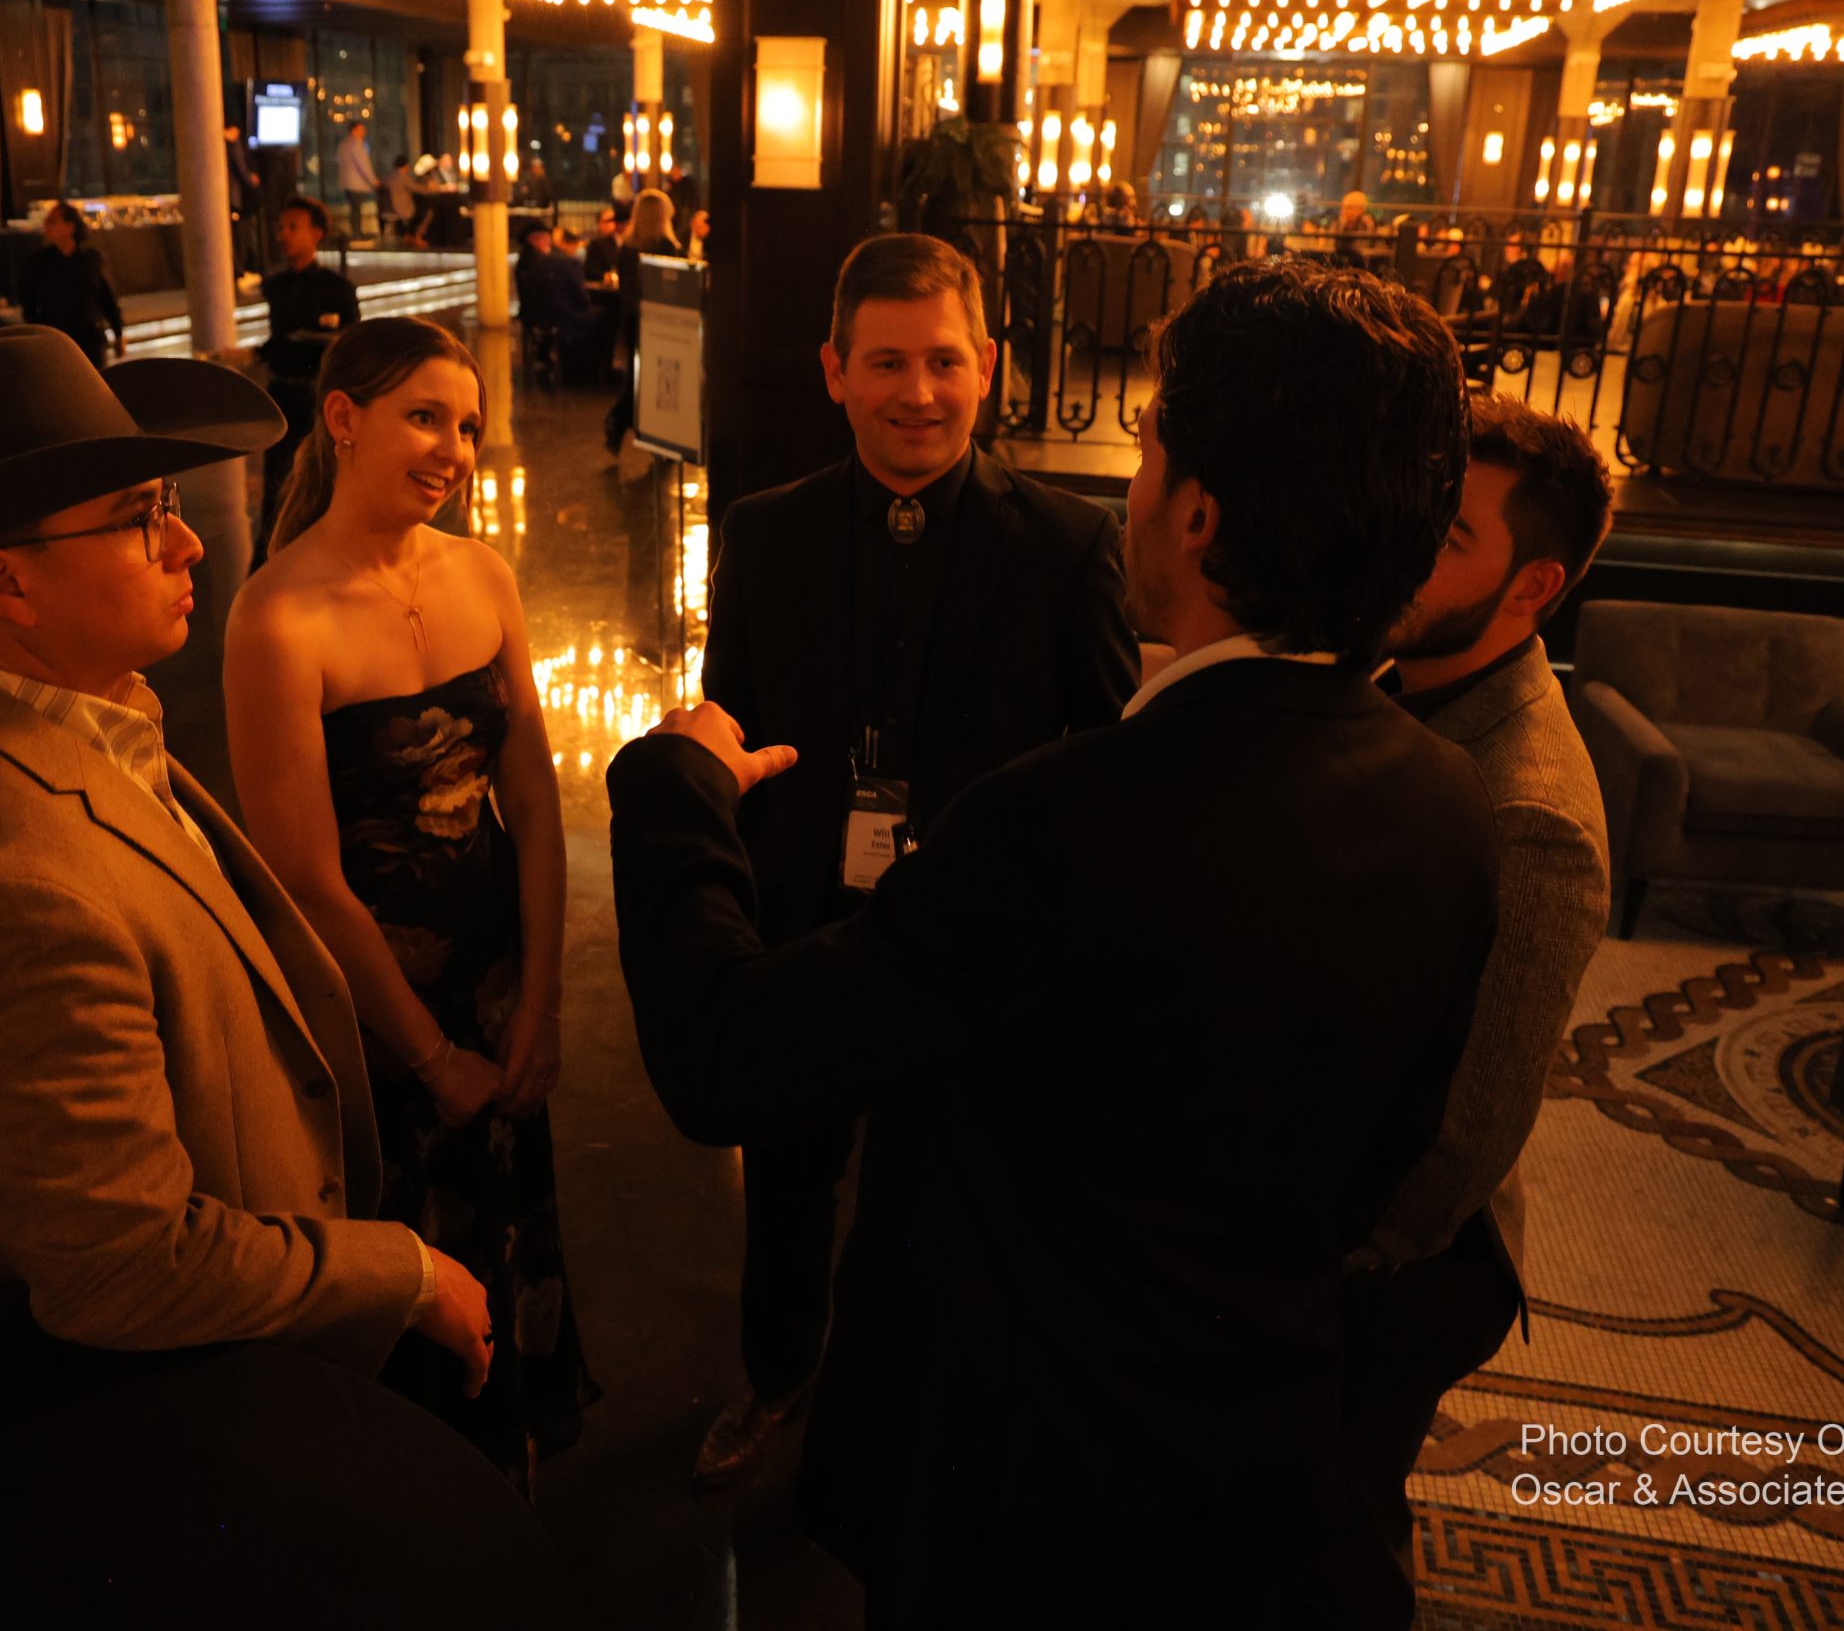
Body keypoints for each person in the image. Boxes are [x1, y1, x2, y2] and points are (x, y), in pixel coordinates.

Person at [606, 258, 1499, 1625]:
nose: (1130, 482)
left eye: (1145, 444)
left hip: (1025, 1484)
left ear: (1197, 512)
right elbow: (1381, 1157)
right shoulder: (1450, 800)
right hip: (1252, 1457)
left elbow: (724, 1057)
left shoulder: (1065, 823)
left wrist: (674, 785)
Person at [0, 325, 494, 1401]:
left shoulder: (65, 701)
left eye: (168, 503)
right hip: (174, 1399)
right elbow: (125, 1267)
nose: (190, 543)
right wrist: (405, 1274)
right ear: (6, 583)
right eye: (140, 517)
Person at [689, 233, 1138, 1490]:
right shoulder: (763, 533)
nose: (918, 392)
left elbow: (1108, 761)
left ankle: (931, 1413)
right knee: (786, 1181)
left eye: (943, 361)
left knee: (956, 1190)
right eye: (885, 362)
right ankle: (778, 1377)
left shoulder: (1066, 544)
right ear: (834, 370)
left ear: (987, 364)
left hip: (981, 942)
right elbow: (732, 731)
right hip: (803, 924)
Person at [226, 319, 600, 1490]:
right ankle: (431, 1504)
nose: (454, 450)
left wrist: (540, 999)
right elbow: (304, 877)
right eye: (425, 418)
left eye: (468, 427)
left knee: (510, 1216)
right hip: (375, 1010)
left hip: (495, 974)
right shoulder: (276, 617)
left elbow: (531, 796)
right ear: (343, 420)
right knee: (411, 1250)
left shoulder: (483, 574)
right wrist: (432, 1058)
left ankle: (516, 1460)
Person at [1345, 390, 1614, 1572]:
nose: (1404, 545)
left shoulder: (1529, 813)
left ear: (1531, 586)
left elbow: (1471, 1125)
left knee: (1337, 1534)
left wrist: (1340, 1272)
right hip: (1332, 1200)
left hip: (1403, 1266)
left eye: (1448, 534)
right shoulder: (1400, 675)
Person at [252, 196, 361, 567]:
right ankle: (269, 565)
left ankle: (323, 562)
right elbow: (278, 340)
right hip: (282, 392)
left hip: (319, 396)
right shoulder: (276, 287)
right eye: (281, 227)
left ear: (317, 233)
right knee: (276, 482)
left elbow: (353, 341)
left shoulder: (337, 288)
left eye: (293, 227)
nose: (283, 234)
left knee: (322, 480)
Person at [603, 188, 681, 455]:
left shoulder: (627, 247)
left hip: (632, 318)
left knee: (638, 377)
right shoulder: (666, 247)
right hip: (661, 322)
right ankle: (634, 426)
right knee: (657, 380)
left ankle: (621, 422)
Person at [15, 200, 123, 368]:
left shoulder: (90, 259)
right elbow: (27, 301)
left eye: (52, 221)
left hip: (90, 340)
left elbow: (106, 297)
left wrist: (118, 333)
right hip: (56, 342)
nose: (46, 225)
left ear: (70, 227)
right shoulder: (38, 262)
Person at [513, 217, 607, 381]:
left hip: (534, 316)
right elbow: (582, 300)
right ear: (539, 238)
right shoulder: (563, 263)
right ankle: (599, 369)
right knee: (606, 315)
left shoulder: (524, 262)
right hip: (561, 318)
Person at [224, 122, 261, 275]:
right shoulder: (233, 144)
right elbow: (241, 168)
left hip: (229, 197)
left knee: (236, 233)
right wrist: (251, 181)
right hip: (237, 197)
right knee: (242, 233)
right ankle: (242, 266)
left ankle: (239, 266)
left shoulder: (216, 143)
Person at [336, 119, 380, 241]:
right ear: (355, 130)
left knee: (354, 209)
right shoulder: (357, 144)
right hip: (356, 183)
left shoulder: (343, 144)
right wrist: (373, 181)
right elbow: (364, 165)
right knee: (356, 210)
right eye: (362, 129)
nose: (364, 131)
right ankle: (357, 234)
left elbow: (338, 161)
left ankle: (356, 233)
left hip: (347, 183)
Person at [581, 205, 623, 286]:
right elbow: (588, 271)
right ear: (599, 224)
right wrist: (605, 275)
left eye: (614, 220)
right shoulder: (596, 244)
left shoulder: (622, 241)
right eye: (608, 221)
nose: (612, 224)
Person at [387, 153, 418, 240]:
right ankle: (414, 236)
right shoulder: (403, 177)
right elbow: (416, 188)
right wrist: (433, 187)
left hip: (390, 206)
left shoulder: (390, 176)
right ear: (405, 165)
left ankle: (407, 234)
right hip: (402, 207)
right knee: (422, 211)